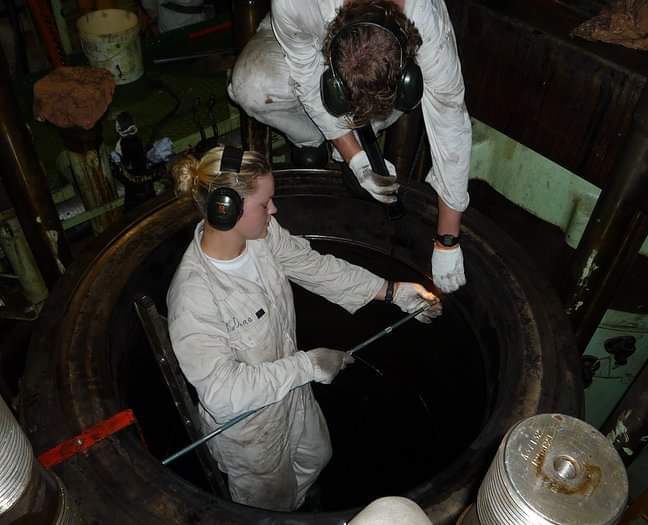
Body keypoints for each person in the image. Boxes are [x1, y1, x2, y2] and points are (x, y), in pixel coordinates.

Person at [167, 145, 442, 511]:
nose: (274, 210)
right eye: (265, 204)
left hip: (292, 393)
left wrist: (391, 292)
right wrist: (308, 367)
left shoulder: (260, 238)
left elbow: (312, 266)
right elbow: (222, 392)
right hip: (251, 430)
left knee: (318, 453)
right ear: (227, 208)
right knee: (272, 506)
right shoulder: (194, 296)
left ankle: (301, 499)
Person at [228, 0, 472, 294]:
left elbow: (449, 116)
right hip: (303, 37)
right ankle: (312, 139)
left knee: (411, 97)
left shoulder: (425, 18)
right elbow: (306, 73)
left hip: (388, 58)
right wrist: (354, 155)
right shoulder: (296, 5)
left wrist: (447, 239)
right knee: (251, 86)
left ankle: (344, 132)